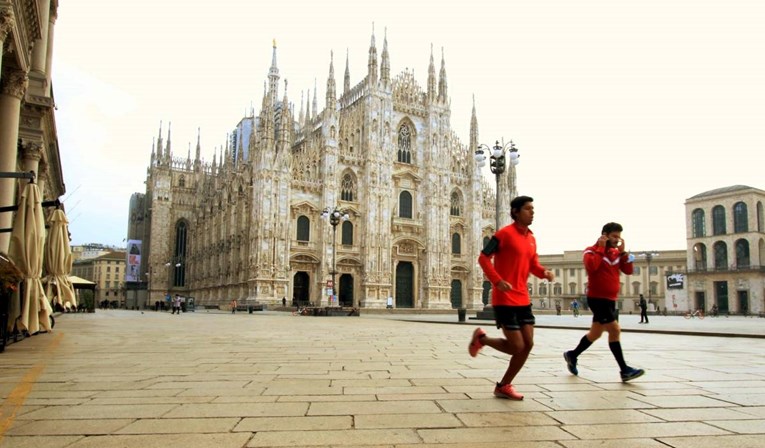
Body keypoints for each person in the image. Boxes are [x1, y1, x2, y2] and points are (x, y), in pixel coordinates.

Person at [468, 195, 555, 400]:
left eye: (533, 209)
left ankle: (504, 385)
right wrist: (497, 281)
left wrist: (545, 273)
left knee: (528, 344)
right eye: (527, 209)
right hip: (505, 298)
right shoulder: (503, 235)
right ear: (516, 212)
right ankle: (482, 339)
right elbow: (483, 257)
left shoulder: (531, 238)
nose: (532, 212)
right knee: (517, 346)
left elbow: (533, 265)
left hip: (523, 299)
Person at [563, 222, 645, 382]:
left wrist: (623, 254)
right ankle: (624, 370)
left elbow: (628, 271)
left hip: (610, 300)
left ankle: (572, 355)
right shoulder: (591, 251)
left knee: (596, 333)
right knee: (614, 330)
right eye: (614, 236)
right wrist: (600, 249)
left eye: (619, 237)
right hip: (597, 298)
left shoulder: (616, 253)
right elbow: (592, 267)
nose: (617, 240)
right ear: (604, 235)